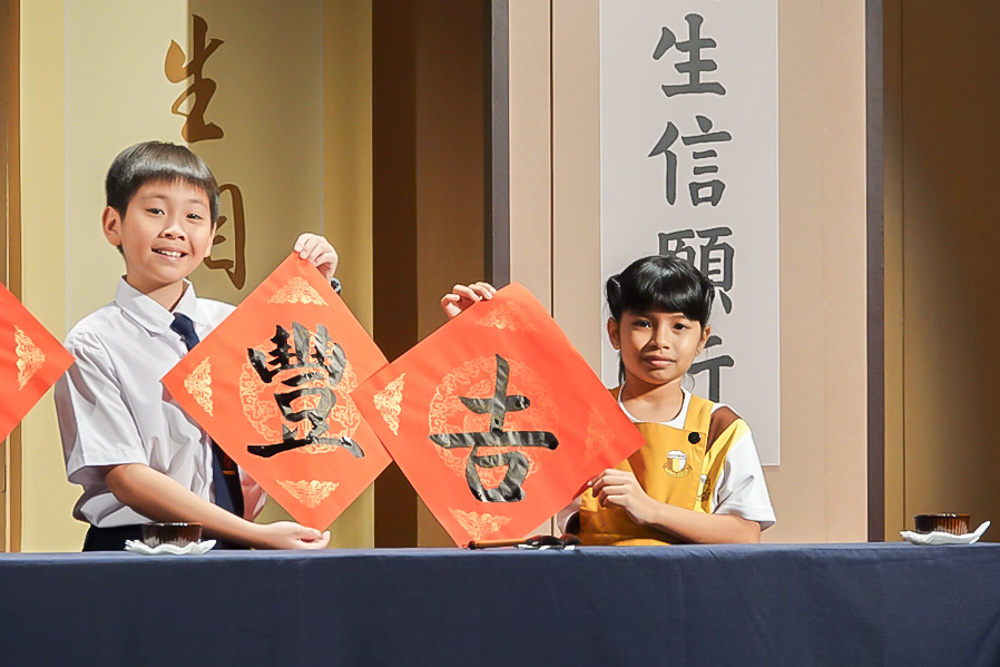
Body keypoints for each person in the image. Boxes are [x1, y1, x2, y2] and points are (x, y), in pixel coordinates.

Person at [55, 140, 335, 551]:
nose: (174, 229)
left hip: (238, 547)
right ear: (113, 223)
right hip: (137, 549)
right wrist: (255, 535)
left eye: (193, 216)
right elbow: (127, 477)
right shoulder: (94, 341)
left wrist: (317, 291)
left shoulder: (234, 325)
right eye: (155, 211)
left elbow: (304, 405)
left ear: (210, 237)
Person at [440, 256, 774, 544]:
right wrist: (476, 329)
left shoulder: (721, 426)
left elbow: (746, 533)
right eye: (643, 323)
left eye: (679, 327)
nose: (660, 341)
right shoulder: (579, 415)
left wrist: (651, 510)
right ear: (614, 332)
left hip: (689, 593)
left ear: (703, 338)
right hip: (592, 589)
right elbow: (506, 408)